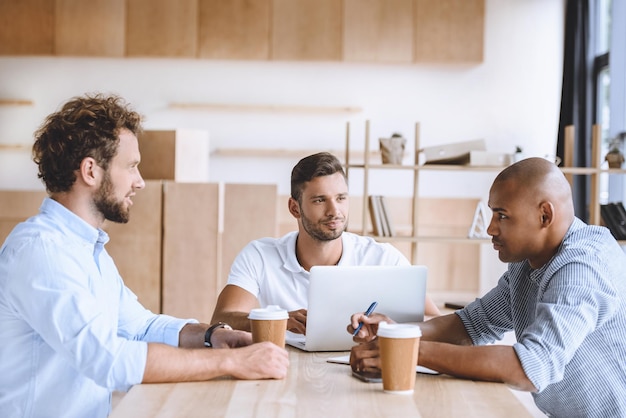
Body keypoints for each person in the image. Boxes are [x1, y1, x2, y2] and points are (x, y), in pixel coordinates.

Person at [0, 94, 289, 418]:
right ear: (91, 171)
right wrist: (231, 362)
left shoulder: (85, 250)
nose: (139, 182)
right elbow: (107, 359)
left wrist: (211, 336)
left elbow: (138, 326)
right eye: (132, 166)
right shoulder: (42, 252)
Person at [348, 157, 626, 417]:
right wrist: (398, 333)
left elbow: (530, 366)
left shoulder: (584, 267)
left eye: (501, 216)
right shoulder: (525, 263)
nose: (490, 228)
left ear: (545, 216)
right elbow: (471, 325)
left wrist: (408, 352)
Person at [211, 152, 440, 334]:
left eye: (341, 198)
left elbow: (436, 321)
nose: (335, 211)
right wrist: (279, 320)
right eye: (320, 200)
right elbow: (222, 318)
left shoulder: (383, 257)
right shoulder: (259, 255)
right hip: (287, 368)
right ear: (294, 208)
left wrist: (391, 325)